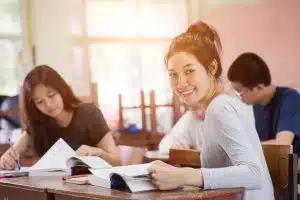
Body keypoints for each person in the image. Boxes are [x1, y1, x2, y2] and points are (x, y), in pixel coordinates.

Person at [148, 22, 274, 200]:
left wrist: (184, 175)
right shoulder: (223, 103)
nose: (180, 83)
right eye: (172, 74)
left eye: (189, 71)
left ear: (212, 68)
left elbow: (255, 174)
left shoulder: (220, 107)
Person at [0, 65, 121, 170]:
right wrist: (6, 160)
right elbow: (11, 154)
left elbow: (117, 162)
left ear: (61, 90)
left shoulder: (89, 114)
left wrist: (98, 153)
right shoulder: (39, 123)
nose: (48, 105)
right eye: (39, 102)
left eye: (51, 95)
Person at [227, 52, 300, 154]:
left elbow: (283, 144)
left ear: (259, 87)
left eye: (240, 91)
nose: (238, 96)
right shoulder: (257, 104)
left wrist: (240, 147)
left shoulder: (290, 98)